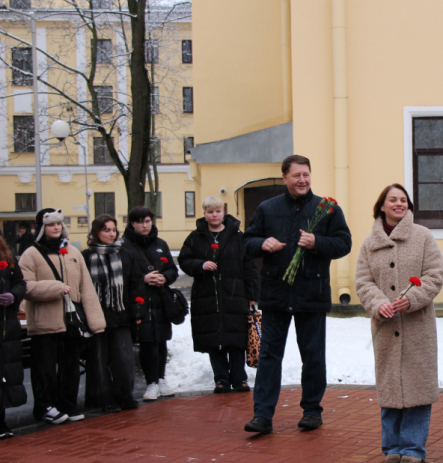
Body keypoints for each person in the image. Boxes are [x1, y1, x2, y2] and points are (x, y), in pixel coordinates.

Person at [243, 154, 352, 434]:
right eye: (296, 175)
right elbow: (247, 242)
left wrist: (317, 242)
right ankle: (263, 415)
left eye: (306, 174)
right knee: (269, 356)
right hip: (276, 293)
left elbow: (344, 243)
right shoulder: (268, 208)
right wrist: (261, 243)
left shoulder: (326, 209)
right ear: (285, 178)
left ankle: (312, 411)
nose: (302, 180)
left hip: (311, 294)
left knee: (313, 357)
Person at [355, 184, 443, 463]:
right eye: (392, 200)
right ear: (381, 205)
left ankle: (413, 448)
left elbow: (435, 275)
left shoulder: (423, 237)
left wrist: (413, 298)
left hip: (417, 327)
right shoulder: (370, 243)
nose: (398, 204)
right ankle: (392, 447)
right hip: (385, 328)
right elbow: (363, 281)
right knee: (390, 386)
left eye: (403, 200)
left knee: (417, 386)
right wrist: (377, 303)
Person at [20, 208, 106, 424]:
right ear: (42, 228)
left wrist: (95, 321)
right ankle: (44, 407)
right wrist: (56, 287)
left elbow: (86, 287)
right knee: (45, 368)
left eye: (59, 223)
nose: (56, 227)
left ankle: (67, 403)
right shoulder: (31, 253)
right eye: (51, 224)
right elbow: (25, 287)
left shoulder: (73, 252)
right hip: (44, 322)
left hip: (71, 322)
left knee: (70, 366)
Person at [178, 196, 259, 393]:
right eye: (210, 211)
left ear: (223, 212)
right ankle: (221, 379)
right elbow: (184, 260)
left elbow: (250, 267)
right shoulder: (195, 237)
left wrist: (252, 294)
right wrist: (201, 265)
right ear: (204, 214)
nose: (214, 215)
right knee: (214, 339)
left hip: (235, 295)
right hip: (207, 297)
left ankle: (240, 379)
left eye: (217, 211)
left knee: (237, 339)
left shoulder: (239, 237)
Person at [82, 215, 139, 412]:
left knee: (124, 361)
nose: (111, 233)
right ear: (96, 232)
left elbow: (134, 284)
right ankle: (102, 399)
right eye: (106, 230)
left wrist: (135, 310)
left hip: (121, 316)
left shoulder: (124, 254)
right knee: (98, 361)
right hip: (96, 317)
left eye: (113, 229)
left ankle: (124, 397)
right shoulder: (86, 256)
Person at [122, 206, 179, 401]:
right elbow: (123, 274)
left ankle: (161, 378)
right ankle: (151, 382)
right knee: (146, 341)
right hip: (139, 301)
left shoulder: (160, 243)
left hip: (160, 299)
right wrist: (143, 279)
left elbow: (172, 270)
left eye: (147, 221)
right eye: (140, 222)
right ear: (132, 224)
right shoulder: (125, 246)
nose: (144, 225)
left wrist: (164, 278)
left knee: (161, 340)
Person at [0, 235, 26, 439]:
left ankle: (2, 420)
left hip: (7, 326)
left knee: (6, 373)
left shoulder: (7, 259)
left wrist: (14, 295)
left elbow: (19, 281)